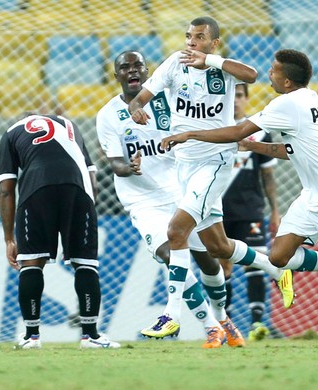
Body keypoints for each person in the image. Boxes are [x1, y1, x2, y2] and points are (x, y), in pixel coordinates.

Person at [161, 49, 318, 347]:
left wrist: (190, 134)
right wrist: (253, 148)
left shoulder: (287, 104)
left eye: (275, 70)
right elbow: (291, 151)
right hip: (313, 196)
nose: (270, 73)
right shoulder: (310, 98)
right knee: (278, 257)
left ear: (287, 81)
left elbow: (239, 129)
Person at [128, 16, 294, 341]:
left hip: (216, 161)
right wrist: (136, 108)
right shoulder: (174, 64)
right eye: (189, 36)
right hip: (184, 165)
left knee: (176, 230)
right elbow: (141, 97)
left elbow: (254, 75)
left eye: (199, 37)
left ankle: (171, 314)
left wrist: (211, 61)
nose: (191, 42)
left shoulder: (223, 68)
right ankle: (275, 269)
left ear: (213, 42)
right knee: (217, 245)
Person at [97, 50, 233, 348]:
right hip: (143, 202)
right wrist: (128, 167)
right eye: (125, 67)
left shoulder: (171, 101)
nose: (132, 70)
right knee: (169, 255)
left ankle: (223, 318)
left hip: (181, 190)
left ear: (147, 71)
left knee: (209, 261)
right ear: (116, 75)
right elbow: (115, 163)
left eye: (137, 65)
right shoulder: (107, 115)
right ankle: (211, 327)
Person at [0, 113, 120, 349]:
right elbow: (92, 177)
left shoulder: (11, 133)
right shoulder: (70, 125)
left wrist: (8, 238)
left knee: (31, 262)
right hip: (77, 188)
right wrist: (87, 211)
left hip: (35, 189)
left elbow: (6, 189)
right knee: (85, 263)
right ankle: (90, 335)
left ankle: (31, 337)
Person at [219, 83, 281, 341]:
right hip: (218, 211)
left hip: (251, 210)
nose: (236, 101)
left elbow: (267, 175)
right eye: (231, 96)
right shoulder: (215, 129)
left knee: (256, 263)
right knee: (223, 268)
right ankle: (227, 325)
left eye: (240, 96)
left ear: (247, 99)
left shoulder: (260, 131)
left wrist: (275, 210)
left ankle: (257, 323)